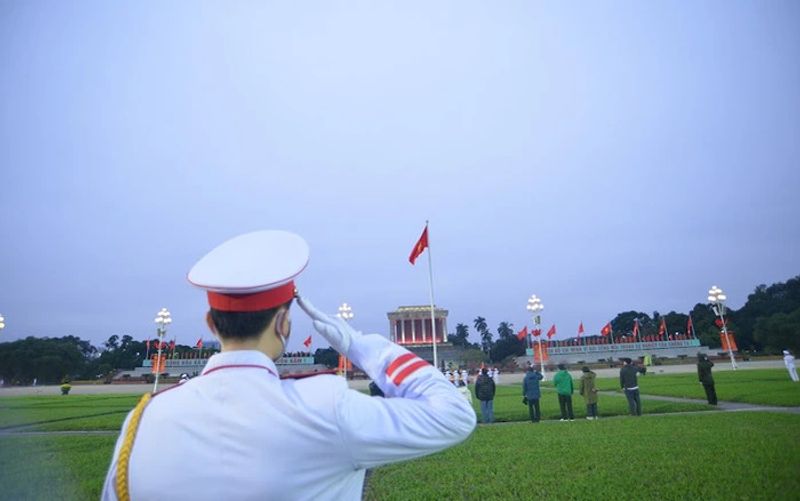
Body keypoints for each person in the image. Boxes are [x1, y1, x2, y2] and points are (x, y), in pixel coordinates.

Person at [101, 230, 475, 501]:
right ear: (284, 324)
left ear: (211, 324)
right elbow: (453, 413)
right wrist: (361, 345)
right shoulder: (325, 408)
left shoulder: (143, 422)